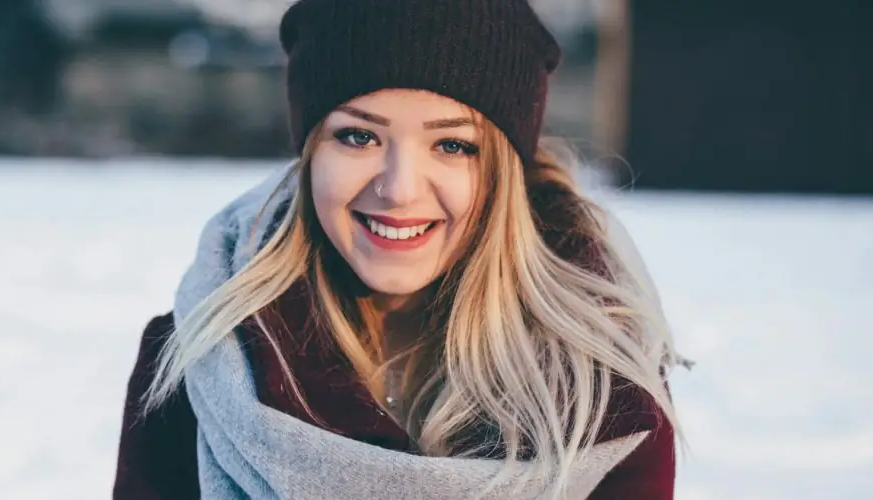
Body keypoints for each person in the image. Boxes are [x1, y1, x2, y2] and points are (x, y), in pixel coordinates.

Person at [113, 0, 684, 498]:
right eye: (358, 136)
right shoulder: (203, 364)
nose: (399, 188)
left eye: (453, 145)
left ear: (505, 173)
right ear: (310, 153)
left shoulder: (604, 398)